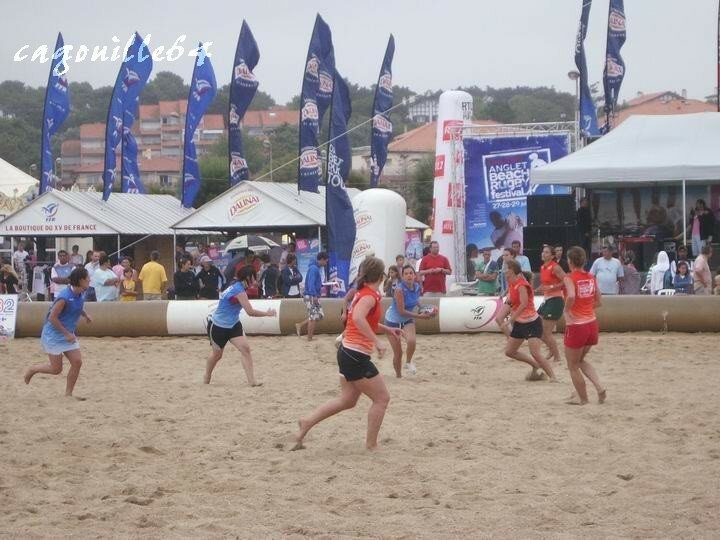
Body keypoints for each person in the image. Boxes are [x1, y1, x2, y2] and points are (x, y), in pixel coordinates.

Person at [293, 257, 402, 451]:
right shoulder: (369, 296)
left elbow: (363, 321)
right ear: (380, 275)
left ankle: (307, 422)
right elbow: (359, 319)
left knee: (348, 400)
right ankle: (371, 445)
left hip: (347, 352)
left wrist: (388, 330)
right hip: (355, 355)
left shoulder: (363, 294)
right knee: (382, 399)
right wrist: (377, 342)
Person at [24, 267, 92, 397]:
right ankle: (33, 370)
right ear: (81, 280)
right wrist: (66, 334)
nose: (90, 279)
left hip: (68, 334)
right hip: (54, 335)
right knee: (56, 369)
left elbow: (77, 306)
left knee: (77, 362)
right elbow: (52, 318)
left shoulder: (81, 292)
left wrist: (85, 315)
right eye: (87, 277)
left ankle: (68, 394)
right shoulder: (64, 297)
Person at [204, 266, 277, 386]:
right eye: (254, 277)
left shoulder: (237, 285)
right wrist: (267, 314)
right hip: (218, 326)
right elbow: (250, 312)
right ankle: (207, 375)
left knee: (245, 349)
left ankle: (252, 381)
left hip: (233, 324)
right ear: (248, 277)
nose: (256, 280)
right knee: (217, 355)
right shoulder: (239, 290)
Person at [495, 260, 556, 382]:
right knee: (509, 352)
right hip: (520, 323)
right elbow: (514, 302)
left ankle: (553, 377)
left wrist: (510, 320)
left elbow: (523, 304)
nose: (504, 270)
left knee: (535, 352)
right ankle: (535, 365)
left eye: (506, 268)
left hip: (532, 323)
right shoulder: (511, 283)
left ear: (512, 271)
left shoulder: (522, 284)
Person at [562, 246, 606, 405]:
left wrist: (566, 310)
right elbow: (599, 301)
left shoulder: (569, 277)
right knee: (580, 360)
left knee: (572, 365)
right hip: (592, 324)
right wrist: (586, 308)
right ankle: (600, 388)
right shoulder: (591, 277)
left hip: (577, 326)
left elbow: (572, 296)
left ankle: (583, 399)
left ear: (570, 261)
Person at [384, 265, 432, 377]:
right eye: (406, 274)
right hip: (392, 321)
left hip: (407, 320)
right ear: (402, 276)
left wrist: (424, 308)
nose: (409, 275)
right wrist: (420, 316)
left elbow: (416, 301)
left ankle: (408, 362)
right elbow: (401, 311)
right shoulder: (399, 290)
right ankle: (398, 375)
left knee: (411, 341)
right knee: (398, 353)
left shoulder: (417, 287)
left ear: (414, 275)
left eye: (411, 273)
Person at [537, 245, 566, 364]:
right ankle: (552, 350)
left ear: (552, 256)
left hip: (556, 300)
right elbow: (546, 284)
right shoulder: (543, 267)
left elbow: (566, 279)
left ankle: (557, 356)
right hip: (547, 300)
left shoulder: (555, 267)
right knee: (537, 328)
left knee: (546, 331)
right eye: (543, 252)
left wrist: (552, 287)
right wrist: (539, 289)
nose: (544, 254)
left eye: (547, 252)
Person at [295, 252, 328, 341]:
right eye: (326, 261)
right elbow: (311, 283)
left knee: (319, 315)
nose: (326, 263)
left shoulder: (314, 268)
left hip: (311, 295)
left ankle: (300, 325)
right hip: (311, 295)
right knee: (314, 317)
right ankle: (309, 338)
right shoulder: (314, 269)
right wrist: (314, 295)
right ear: (322, 259)